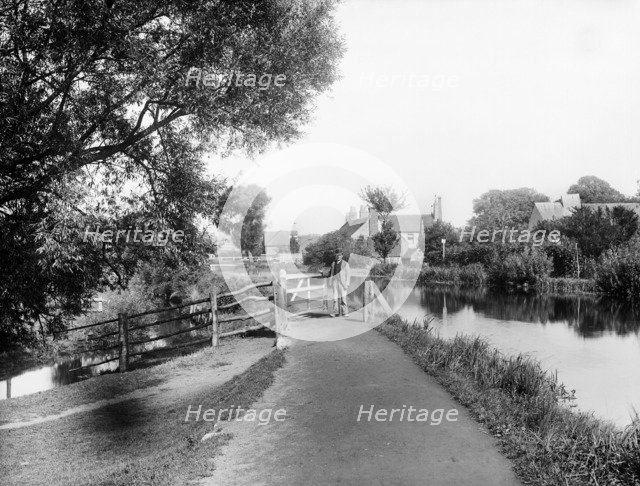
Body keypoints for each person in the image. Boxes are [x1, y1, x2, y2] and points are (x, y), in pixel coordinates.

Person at [328, 251, 350, 317]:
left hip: (342, 283)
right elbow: (331, 273)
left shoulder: (345, 264)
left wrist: (347, 284)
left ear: (342, 256)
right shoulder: (333, 263)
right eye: (337, 255)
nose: (338, 256)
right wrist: (330, 282)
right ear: (336, 256)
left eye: (340, 255)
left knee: (343, 298)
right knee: (335, 298)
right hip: (335, 282)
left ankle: (345, 312)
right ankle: (335, 312)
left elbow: (348, 275)